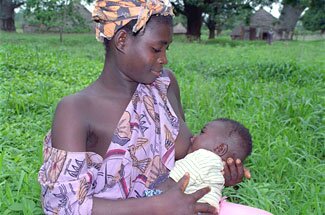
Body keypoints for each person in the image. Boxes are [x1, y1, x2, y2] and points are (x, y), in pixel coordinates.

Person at [38, 0, 252, 214]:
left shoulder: (164, 85)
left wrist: (213, 174)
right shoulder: (76, 110)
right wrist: (157, 206)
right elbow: (60, 204)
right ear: (122, 41)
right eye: (156, 49)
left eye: (166, 49)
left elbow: (183, 157)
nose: (164, 59)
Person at [147, 118, 272, 215]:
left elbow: (170, 183)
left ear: (220, 148)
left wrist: (148, 199)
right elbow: (211, 204)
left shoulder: (201, 157)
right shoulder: (217, 173)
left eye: (202, 132)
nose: (193, 137)